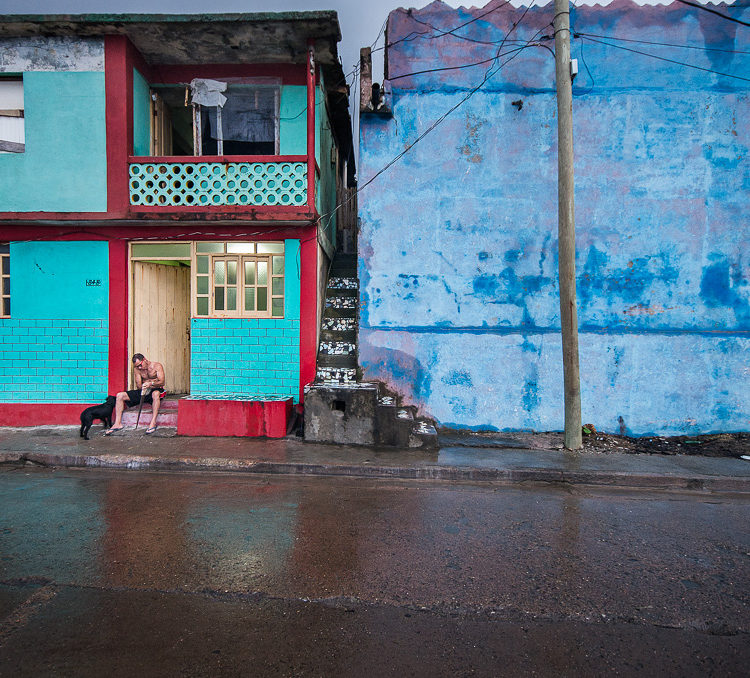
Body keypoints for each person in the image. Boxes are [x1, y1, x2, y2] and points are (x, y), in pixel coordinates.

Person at [105, 353, 166, 435]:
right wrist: (145, 384)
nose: (139, 368)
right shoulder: (137, 369)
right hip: (144, 390)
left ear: (144, 360)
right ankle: (117, 423)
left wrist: (151, 383)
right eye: (137, 366)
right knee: (120, 395)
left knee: (155, 394)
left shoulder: (157, 366)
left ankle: (153, 422)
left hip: (156, 389)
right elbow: (139, 386)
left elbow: (162, 382)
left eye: (140, 365)